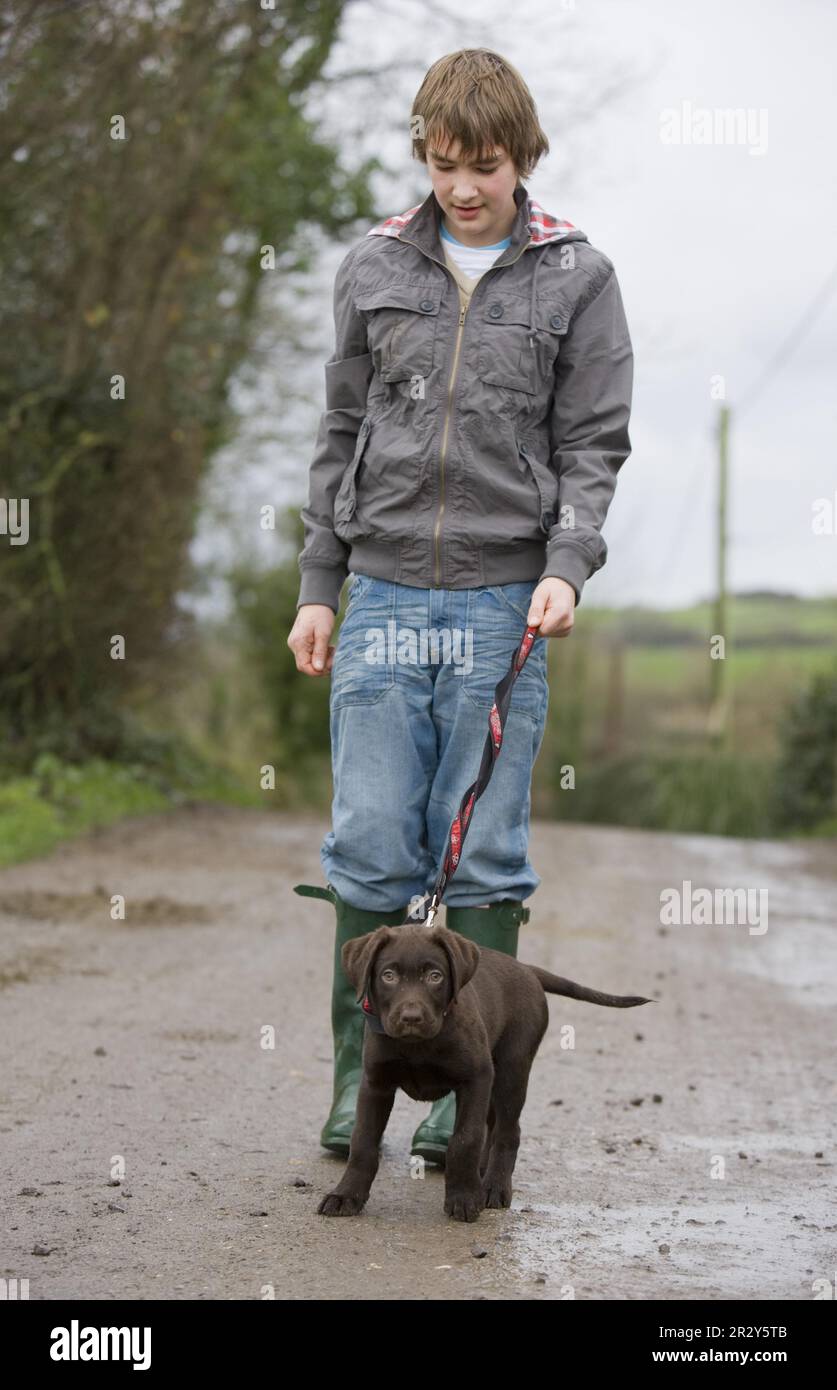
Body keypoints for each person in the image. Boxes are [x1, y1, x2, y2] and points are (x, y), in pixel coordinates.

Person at [287, 48, 634, 1165]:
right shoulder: (374, 265)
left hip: (502, 601)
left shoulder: (577, 276)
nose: (462, 188)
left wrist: (566, 566)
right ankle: (364, 1077)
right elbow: (338, 434)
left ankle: (456, 1093)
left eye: (482, 166)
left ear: (521, 157)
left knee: (481, 852)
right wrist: (318, 587)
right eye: (443, 166)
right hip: (381, 587)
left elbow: (592, 444)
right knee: (368, 844)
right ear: (423, 158)